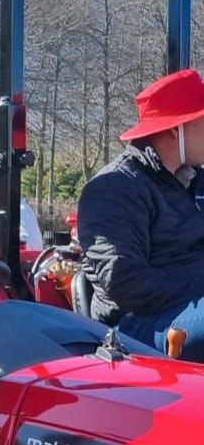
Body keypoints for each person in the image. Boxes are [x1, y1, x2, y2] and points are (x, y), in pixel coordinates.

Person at [77, 68, 204, 357]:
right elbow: (126, 282)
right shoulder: (114, 189)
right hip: (137, 326)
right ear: (176, 129)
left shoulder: (194, 180)